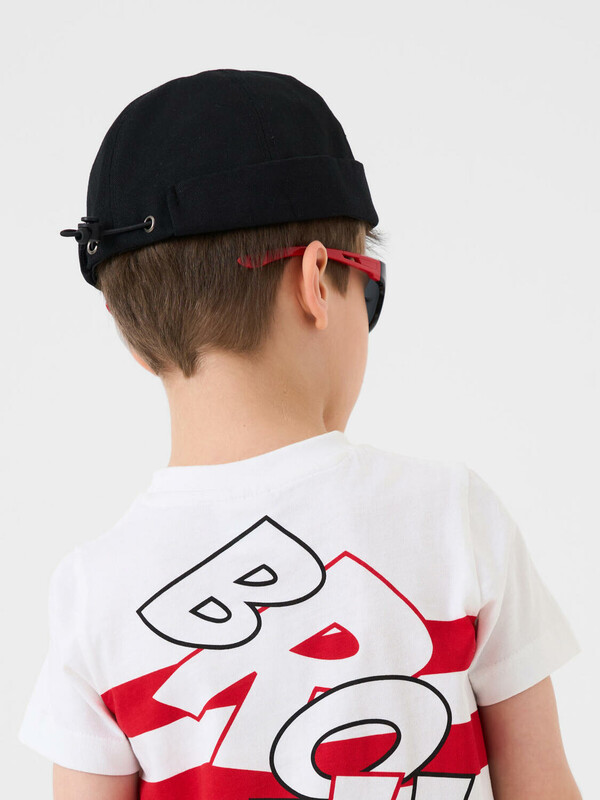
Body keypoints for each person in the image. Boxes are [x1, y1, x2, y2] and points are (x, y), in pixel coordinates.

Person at [19, 69, 582, 800]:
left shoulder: (93, 592)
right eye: (368, 285)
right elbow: (542, 786)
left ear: (128, 333)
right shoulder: (452, 516)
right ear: (318, 281)